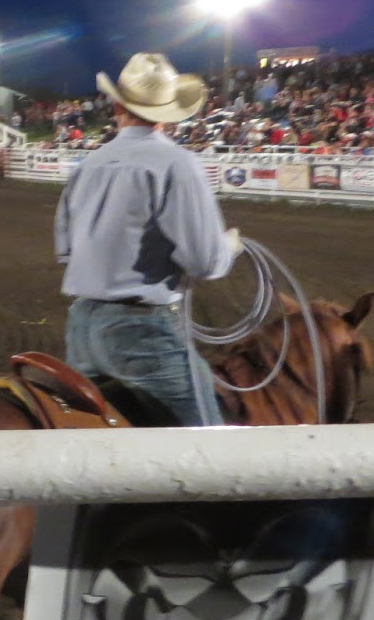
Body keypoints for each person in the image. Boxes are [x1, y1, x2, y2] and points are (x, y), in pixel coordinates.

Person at [54, 53, 241, 425]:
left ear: (118, 106)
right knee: (210, 439)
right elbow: (203, 261)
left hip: (82, 327)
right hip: (138, 331)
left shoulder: (88, 165)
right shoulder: (176, 164)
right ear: (167, 113)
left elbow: (66, 249)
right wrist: (228, 248)